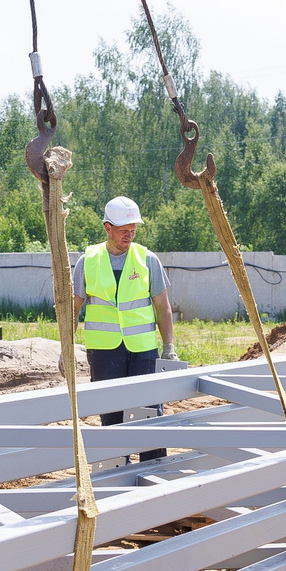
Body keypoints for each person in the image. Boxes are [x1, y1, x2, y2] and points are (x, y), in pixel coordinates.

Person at [67, 196, 178, 460]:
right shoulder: (88, 260)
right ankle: (116, 472)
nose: (129, 235)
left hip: (143, 350)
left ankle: (153, 470)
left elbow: (162, 307)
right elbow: (72, 309)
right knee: (111, 413)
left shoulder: (147, 259)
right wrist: (66, 348)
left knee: (148, 412)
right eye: (123, 230)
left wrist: (169, 347)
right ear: (107, 227)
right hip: (104, 352)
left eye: (133, 230)